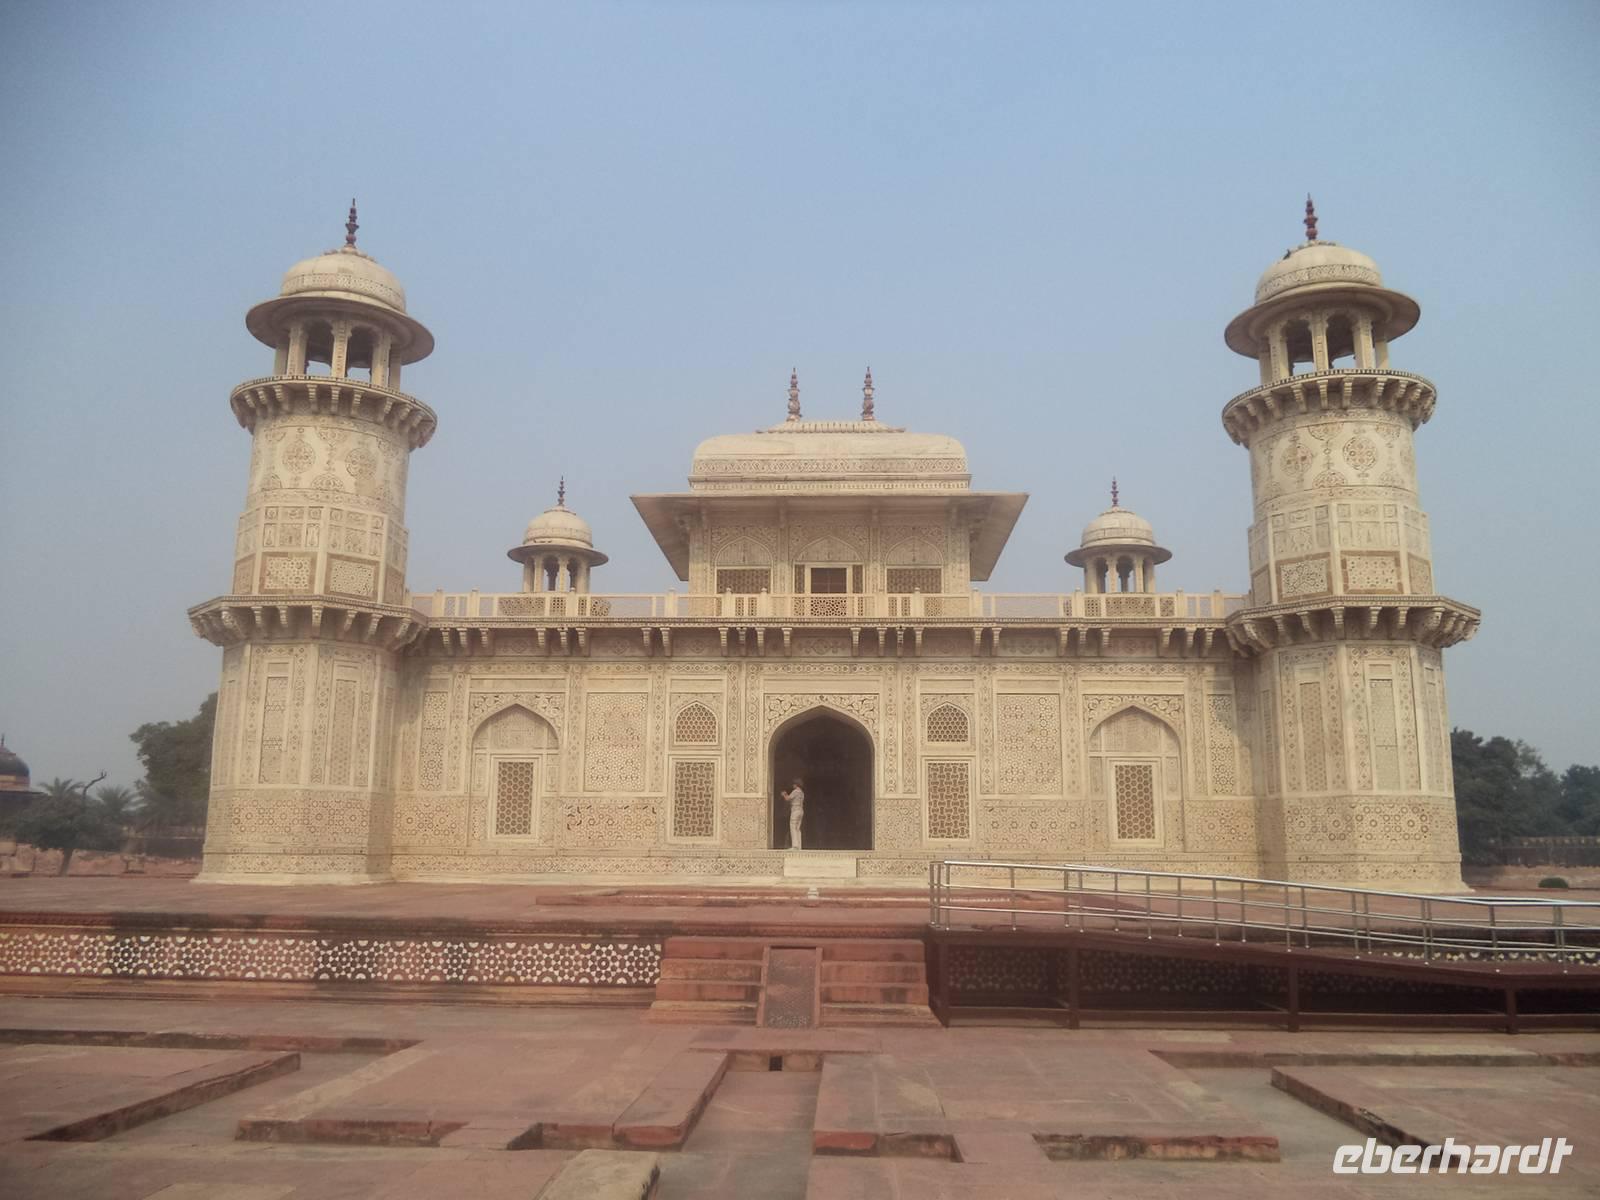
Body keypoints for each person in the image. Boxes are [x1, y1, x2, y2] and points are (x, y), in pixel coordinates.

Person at [781, 777, 805, 850]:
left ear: (796, 785)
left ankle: (795, 846)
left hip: (795, 810)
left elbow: (788, 798)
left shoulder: (795, 791)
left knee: (793, 827)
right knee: (798, 828)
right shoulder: (801, 792)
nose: (792, 786)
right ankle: (799, 846)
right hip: (800, 810)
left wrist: (784, 794)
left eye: (793, 784)